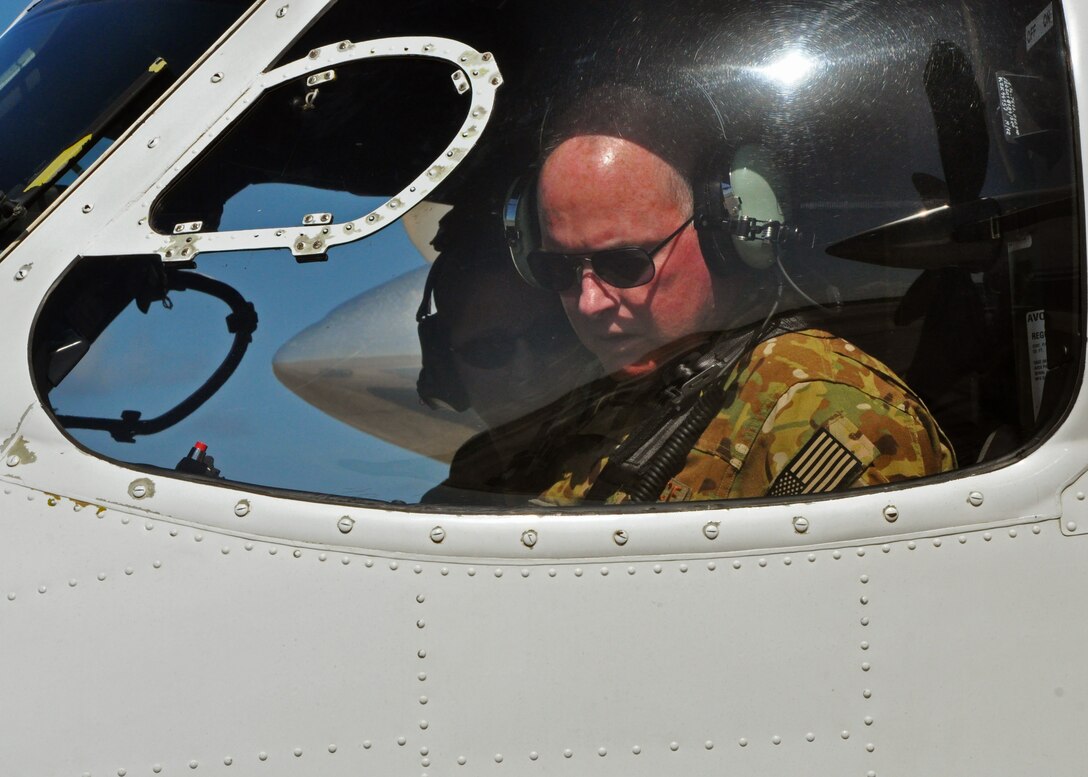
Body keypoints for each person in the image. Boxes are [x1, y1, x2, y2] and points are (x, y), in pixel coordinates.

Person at [510, 121, 956, 504]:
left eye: (624, 264)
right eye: (558, 269)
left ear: (730, 238)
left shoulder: (827, 417)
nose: (590, 302)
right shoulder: (584, 394)